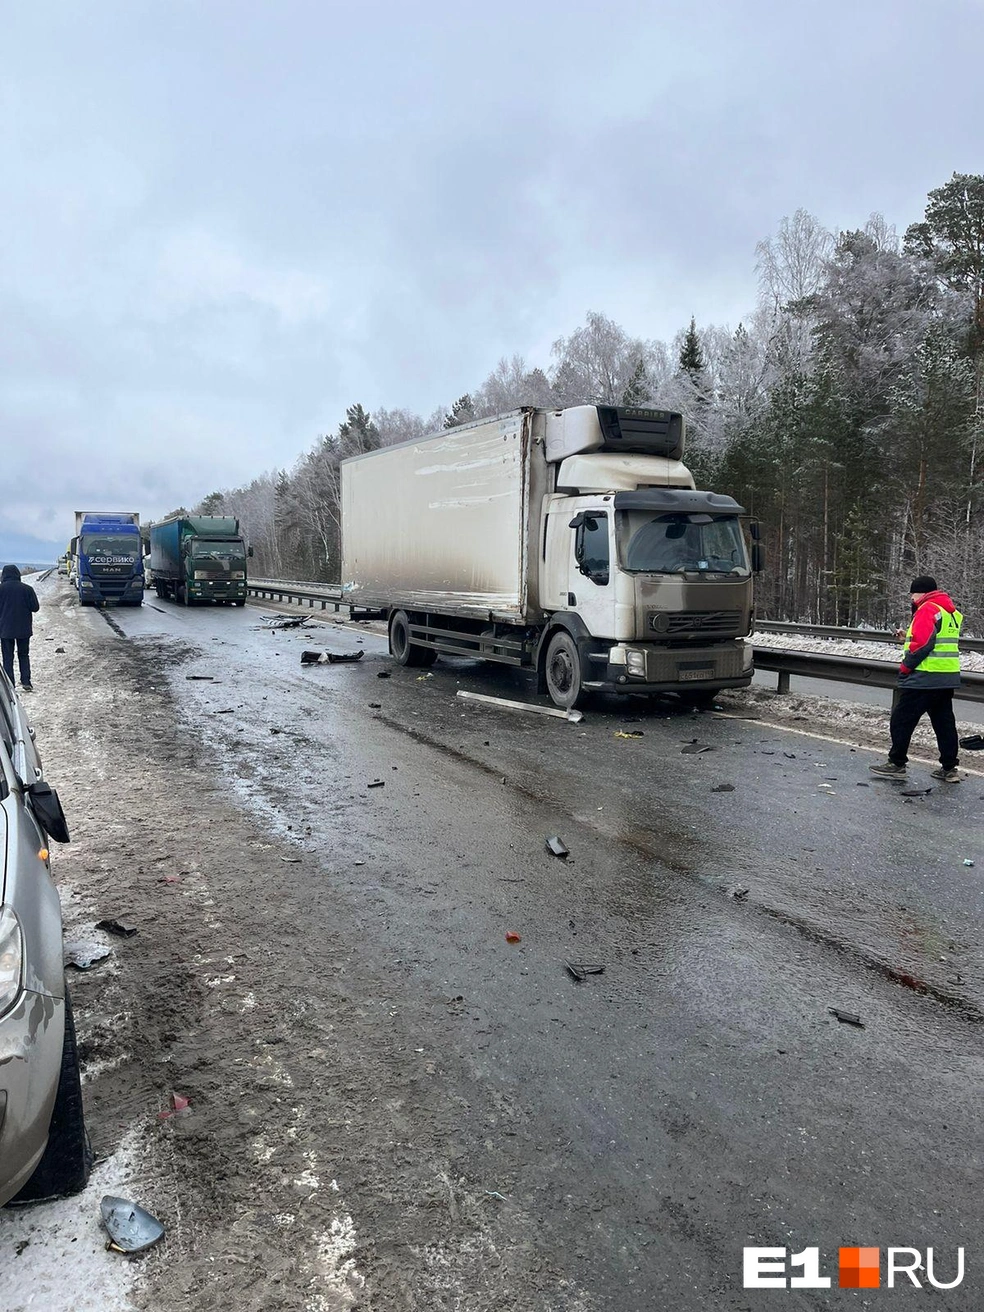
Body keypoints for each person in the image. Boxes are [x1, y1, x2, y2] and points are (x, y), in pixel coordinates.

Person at [869, 575, 962, 783]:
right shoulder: (951, 612)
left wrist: (906, 666)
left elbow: (921, 645)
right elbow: (936, 640)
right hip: (946, 677)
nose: (911, 597)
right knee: (944, 723)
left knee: (901, 720)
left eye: (913, 593)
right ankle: (949, 768)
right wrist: (906, 638)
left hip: (924, 677)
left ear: (922, 592)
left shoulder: (928, 608)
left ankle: (896, 763)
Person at [0, 564, 40, 692]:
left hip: (5, 629)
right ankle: (26, 681)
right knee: (23, 655)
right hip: (23, 629)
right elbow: (35, 607)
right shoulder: (27, 589)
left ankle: (10, 685)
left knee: (7, 657)